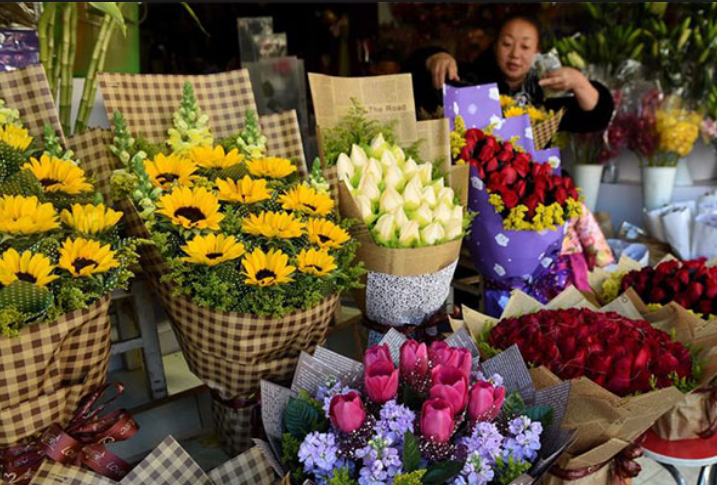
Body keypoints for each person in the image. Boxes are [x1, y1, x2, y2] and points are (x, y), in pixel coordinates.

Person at [403, 14, 614, 132]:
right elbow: (414, 78)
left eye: (525, 47)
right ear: (494, 46)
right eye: (507, 44)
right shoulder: (469, 79)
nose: (514, 55)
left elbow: (596, 117)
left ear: (537, 51)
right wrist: (434, 57)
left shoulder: (547, 88)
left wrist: (580, 83)